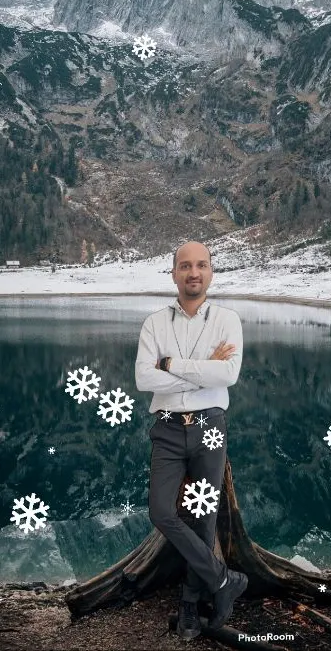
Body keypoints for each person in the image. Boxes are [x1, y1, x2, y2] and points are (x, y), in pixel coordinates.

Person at [135, 240, 248, 641]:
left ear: (211, 271)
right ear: (174, 273)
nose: (193, 272)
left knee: (203, 519)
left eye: (201, 265)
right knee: (162, 511)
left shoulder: (228, 320)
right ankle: (223, 580)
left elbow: (228, 376)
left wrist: (172, 365)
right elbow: (144, 379)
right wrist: (204, 369)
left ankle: (189, 603)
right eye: (185, 266)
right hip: (166, 428)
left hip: (210, 427)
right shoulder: (154, 323)